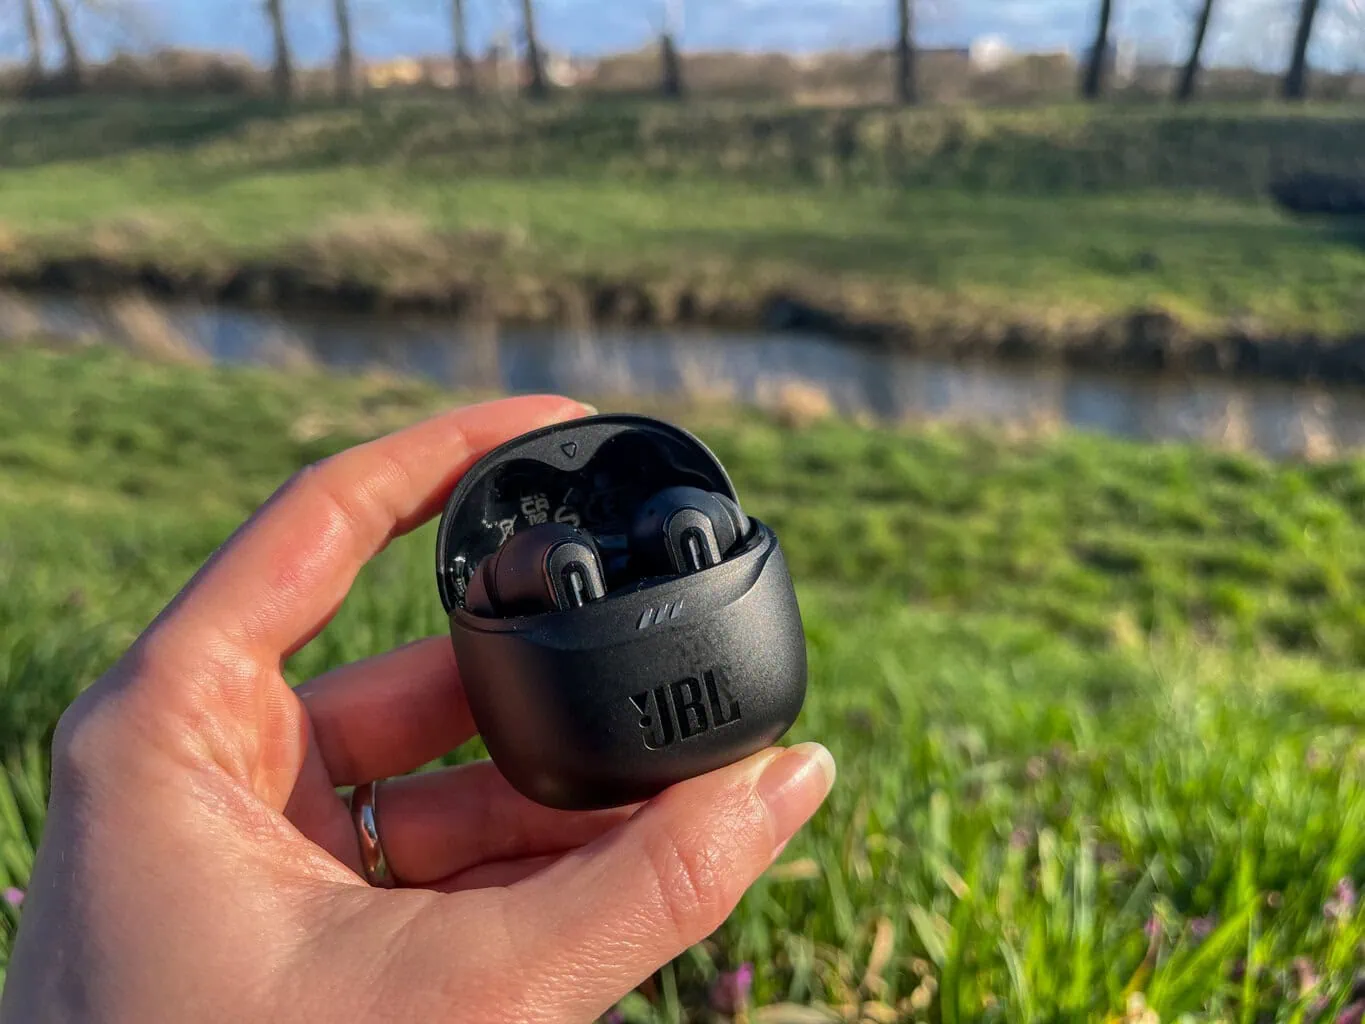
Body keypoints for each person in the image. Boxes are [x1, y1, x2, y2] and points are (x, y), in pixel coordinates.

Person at [0, 395, 835, 1023]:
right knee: (681, 523)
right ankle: (661, 543)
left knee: (639, 536)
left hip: (667, 687)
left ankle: (586, 566)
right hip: (683, 685)